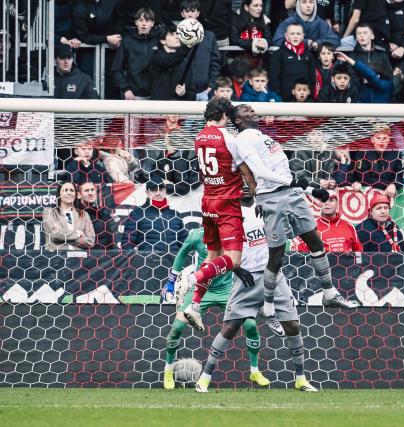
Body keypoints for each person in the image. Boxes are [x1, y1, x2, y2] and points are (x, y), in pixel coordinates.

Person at [229, 103, 359, 335]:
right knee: (277, 256)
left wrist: (310, 190)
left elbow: (285, 173)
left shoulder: (262, 136)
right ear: (237, 120)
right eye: (245, 110)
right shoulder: (243, 139)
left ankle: (329, 293)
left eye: (251, 108)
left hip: (292, 194)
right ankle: (268, 308)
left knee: (315, 242)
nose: (252, 111)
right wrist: (291, 184)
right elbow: (259, 172)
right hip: (273, 198)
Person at [194, 190, 318, 393]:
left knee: (293, 326)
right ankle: (205, 377)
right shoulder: (228, 216)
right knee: (230, 327)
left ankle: (301, 379)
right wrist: (237, 268)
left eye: (247, 185)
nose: (243, 189)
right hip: (247, 279)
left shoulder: (266, 208)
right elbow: (220, 250)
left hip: (274, 276)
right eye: (239, 185)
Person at [180, 97, 258, 332]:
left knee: (212, 255)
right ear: (225, 114)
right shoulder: (229, 139)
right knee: (233, 260)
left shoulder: (199, 136)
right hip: (227, 204)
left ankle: (193, 306)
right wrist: (257, 194)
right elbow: (246, 171)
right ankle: (192, 279)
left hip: (207, 201)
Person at [161, 221, 269, 389]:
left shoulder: (233, 234)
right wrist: (171, 280)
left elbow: (237, 257)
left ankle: (254, 370)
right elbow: (182, 253)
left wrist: (240, 270)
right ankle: (168, 370)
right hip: (200, 290)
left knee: (250, 325)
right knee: (176, 328)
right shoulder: (197, 234)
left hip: (227, 290)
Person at [120, 178, 186, 253]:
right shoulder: (138, 213)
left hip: (173, 262)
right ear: (147, 192)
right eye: (154, 189)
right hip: (148, 262)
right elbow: (127, 244)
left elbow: (185, 243)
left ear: (165, 191)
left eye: (161, 189)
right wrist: (137, 261)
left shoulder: (175, 214)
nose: (158, 193)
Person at [110, 8, 161, 100]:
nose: (144, 23)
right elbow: (116, 69)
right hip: (133, 95)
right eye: (140, 20)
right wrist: (126, 89)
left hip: (156, 95)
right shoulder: (127, 42)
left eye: (147, 20)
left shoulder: (160, 40)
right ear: (136, 22)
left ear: (153, 23)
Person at [179, 0, 223, 101]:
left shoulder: (209, 36)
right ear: (182, 14)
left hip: (204, 91)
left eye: (193, 11)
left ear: (198, 13)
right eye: (187, 11)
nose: (190, 14)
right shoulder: (175, 35)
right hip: (182, 91)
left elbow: (215, 63)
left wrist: (210, 86)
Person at [292, 190, 363, 252]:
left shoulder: (349, 226)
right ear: (320, 204)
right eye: (323, 200)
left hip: (345, 266)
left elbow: (358, 252)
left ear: (337, 204)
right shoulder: (311, 227)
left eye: (331, 200)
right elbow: (302, 253)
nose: (327, 203)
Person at [43, 182, 96, 251]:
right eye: (65, 190)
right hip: (57, 258)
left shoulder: (84, 214)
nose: (69, 193)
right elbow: (55, 235)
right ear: (59, 194)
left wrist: (63, 237)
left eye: (72, 190)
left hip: (78, 258)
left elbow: (90, 241)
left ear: (75, 194)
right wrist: (77, 233)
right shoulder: (49, 212)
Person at [269, 22, 316, 101]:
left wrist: (310, 97)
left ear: (303, 36)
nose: (295, 36)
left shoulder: (309, 55)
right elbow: (274, 80)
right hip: (284, 100)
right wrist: (278, 99)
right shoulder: (278, 54)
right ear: (286, 36)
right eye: (292, 33)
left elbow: (313, 79)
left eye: (298, 34)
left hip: (305, 101)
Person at [149, 24, 196, 101]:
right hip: (159, 109)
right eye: (172, 34)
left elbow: (193, 95)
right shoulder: (156, 58)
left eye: (178, 34)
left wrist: (184, 93)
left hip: (179, 110)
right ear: (162, 40)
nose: (177, 37)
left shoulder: (185, 62)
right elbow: (171, 61)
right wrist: (187, 45)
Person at [273, 0, 340, 48]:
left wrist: (318, 43)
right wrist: (301, 43)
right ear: (298, 4)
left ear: (315, 4)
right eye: (304, 2)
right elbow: (277, 40)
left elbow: (335, 40)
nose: (308, 5)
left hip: (315, 63)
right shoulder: (288, 22)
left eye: (311, 2)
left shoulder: (321, 23)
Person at [77, 181, 117, 250]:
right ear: (79, 195)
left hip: (107, 257)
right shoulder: (78, 214)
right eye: (86, 191)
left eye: (92, 190)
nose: (90, 193)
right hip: (91, 257)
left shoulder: (100, 212)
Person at [230, 0, 272, 65]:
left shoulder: (264, 19)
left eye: (261, 6)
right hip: (239, 62)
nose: (259, 9)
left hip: (259, 63)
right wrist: (253, 43)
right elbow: (234, 39)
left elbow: (268, 38)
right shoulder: (236, 19)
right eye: (256, 6)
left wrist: (265, 43)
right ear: (246, 7)